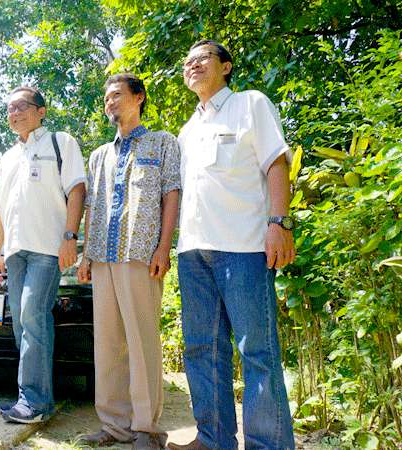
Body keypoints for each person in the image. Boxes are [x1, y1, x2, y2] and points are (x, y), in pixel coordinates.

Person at [167, 40, 296, 450]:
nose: (192, 66)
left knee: (257, 351)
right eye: (187, 62)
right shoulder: (187, 130)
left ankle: (268, 445)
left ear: (225, 66)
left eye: (201, 59)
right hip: (193, 253)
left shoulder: (250, 104)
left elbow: (277, 162)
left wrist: (279, 222)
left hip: (243, 248)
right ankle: (213, 439)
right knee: (203, 351)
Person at [77, 74, 181, 449]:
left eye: (117, 95)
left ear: (138, 98)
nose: (110, 103)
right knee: (107, 345)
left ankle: (146, 429)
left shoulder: (163, 143)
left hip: (141, 256)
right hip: (103, 257)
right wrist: (86, 255)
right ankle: (114, 426)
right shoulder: (99, 155)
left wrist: (163, 247)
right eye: (106, 98)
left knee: (142, 342)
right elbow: (92, 208)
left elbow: (172, 195)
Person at [0, 86, 87, 424]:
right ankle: (31, 398)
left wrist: (70, 237)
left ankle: (35, 401)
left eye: (22, 106)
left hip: (47, 248)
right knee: (23, 324)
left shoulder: (60, 143)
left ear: (41, 111)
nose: (15, 113)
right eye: (10, 108)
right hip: (15, 253)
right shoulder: (7, 157)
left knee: (33, 316)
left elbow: (77, 189)